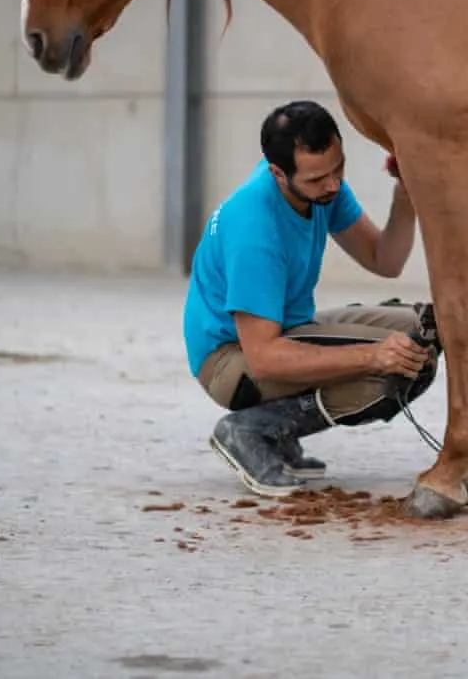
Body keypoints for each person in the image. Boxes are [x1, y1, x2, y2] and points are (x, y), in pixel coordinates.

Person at [182, 99, 438, 498]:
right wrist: (371, 355)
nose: (333, 185)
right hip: (232, 360)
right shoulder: (254, 229)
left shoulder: (320, 187)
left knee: (424, 332)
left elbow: (385, 260)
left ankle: (273, 428)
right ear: (278, 173)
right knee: (397, 367)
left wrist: (406, 195)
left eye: (338, 168)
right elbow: (264, 359)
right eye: (318, 178)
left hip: (285, 332)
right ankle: (250, 429)